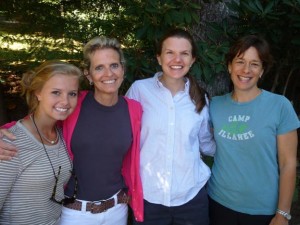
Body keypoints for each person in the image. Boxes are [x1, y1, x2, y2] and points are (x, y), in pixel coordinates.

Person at [0, 36, 144, 225]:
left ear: (123, 69)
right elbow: (37, 122)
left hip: (117, 209)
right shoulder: (75, 104)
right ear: (89, 75)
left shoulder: (134, 109)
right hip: (74, 212)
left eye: (114, 65)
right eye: (99, 67)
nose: (108, 73)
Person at [126, 28, 216, 225]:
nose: (177, 59)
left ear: (192, 60)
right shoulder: (139, 90)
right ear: (159, 58)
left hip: (191, 197)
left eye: (184, 53)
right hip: (148, 197)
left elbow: (206, 144)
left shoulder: (200, 98)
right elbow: (124, 139)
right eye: (170, 53)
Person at [207, 35, 300, 225]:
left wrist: (283, 213)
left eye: (254, 64)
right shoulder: (215, 105)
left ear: (262, 70)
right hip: (217, 202)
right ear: (229, 66)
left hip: (262, 209)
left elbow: (288, 163)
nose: (246, 70)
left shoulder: (279, 106)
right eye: (240, 62)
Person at [0, 60, 82, 224]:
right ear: (38, 93)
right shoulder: (10, 144)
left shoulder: (62, 134)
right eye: (56, 92)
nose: (65, 101)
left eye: (72, 94)